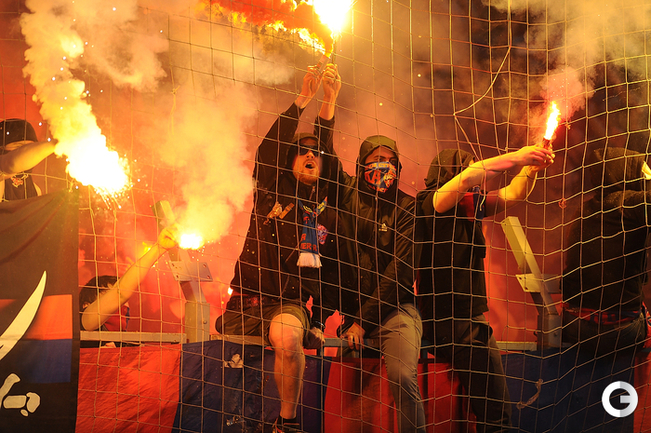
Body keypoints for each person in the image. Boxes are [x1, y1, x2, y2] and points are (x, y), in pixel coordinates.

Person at [215, 65, 342, 433]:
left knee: (287, 339)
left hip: (287, 305)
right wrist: (304, 99)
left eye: (316, 153)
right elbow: (268, 150)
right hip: (244, 304)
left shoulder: (327, 206)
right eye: (302, 152)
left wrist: (330, 102)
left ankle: (287, 423)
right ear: (289, 162)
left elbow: (330, 272)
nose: (310, 156)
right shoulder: (271, 186)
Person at [416, 144, 554, 433]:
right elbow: (468, 178)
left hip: (469, 321)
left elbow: (514, 193)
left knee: (496, 413)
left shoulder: (471, 206)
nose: (477, 181)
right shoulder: (431, 201)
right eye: (467, 168)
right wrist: (518, 156)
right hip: (451, 322)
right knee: (496, 415)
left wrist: (530, 169)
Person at [319, 112, 425, 430]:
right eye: (377, 159)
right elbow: (325, 153)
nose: (384, 166)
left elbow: (401, 273)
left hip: (395, 313)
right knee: (346, 400)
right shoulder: (345, 193)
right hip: (353, 318)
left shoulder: (407, 208)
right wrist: (327, 107)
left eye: (391, 161)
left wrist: (362, 323)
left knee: (403, 376)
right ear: (362, 164)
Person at [562, 147, 650, 357]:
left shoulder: (583, 209)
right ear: (627, 173)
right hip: (617, 332)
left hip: (574, 326)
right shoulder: (629, 203)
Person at [79, 225, 179, 345]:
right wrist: (159, 248)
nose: (121, 305)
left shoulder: (129, 345)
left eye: (125, 303)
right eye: (108, 294)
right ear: (86, 305)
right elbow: (120, 293)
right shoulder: (85, 322)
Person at [0, 118, 57, 201]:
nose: (25, 152)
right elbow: (11, 163)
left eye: (30, 147)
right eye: (18, 147)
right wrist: (59, 143)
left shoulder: (35, 190)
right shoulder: (1, 181)